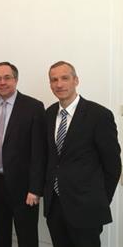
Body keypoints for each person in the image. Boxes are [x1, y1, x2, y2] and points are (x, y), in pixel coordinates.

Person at [44, 61, 122, 247]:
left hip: (87, 207)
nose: (59, 84)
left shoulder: (99, 115)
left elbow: (112, 164)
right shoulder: (48, 114)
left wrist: (100, 200)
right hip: (55, 206)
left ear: (76, 80)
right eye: (54, 80)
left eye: (65, 78)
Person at [0, 62, 46, 247]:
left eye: (7, 78)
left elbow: (39, 152)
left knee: (27, 237)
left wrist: (35, 188)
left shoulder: (33, 107)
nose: (2, 82)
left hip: (24, 188)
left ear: (16, 79)